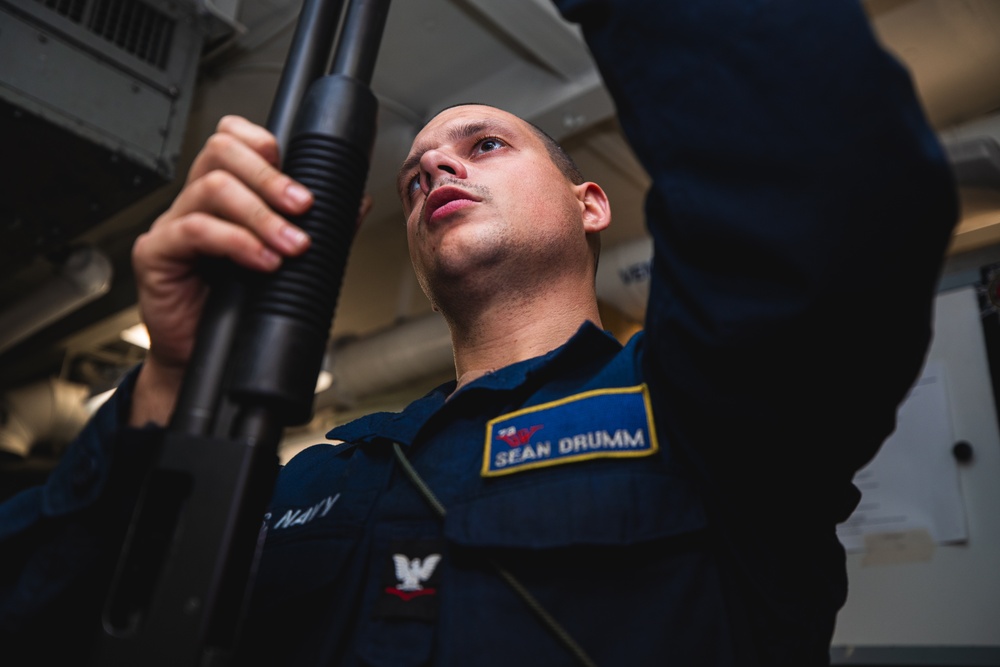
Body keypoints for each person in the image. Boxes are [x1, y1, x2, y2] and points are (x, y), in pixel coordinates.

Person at [0, 0, 957, 665]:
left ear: (591, 204)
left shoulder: (706, 415)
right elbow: (39, 620)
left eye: (484, 145)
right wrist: (172, 381)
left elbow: (826, 192)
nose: (436, 174)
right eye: (415, 176)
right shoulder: (315, 477)